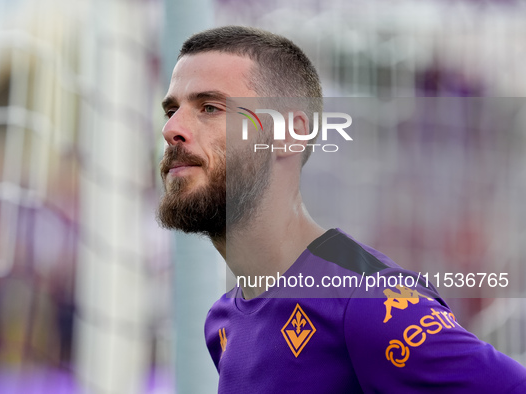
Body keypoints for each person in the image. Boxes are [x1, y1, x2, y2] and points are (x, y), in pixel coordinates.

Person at [157, 26, 526, 393]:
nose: (172, 128)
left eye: (209, 107)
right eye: (171, 110)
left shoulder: (368, 300)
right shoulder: (221, 323)